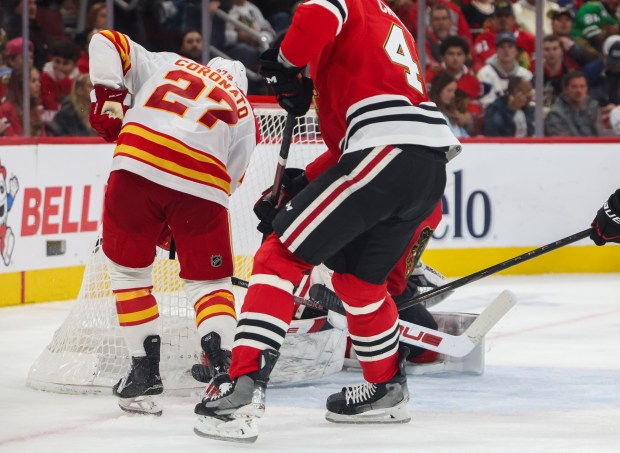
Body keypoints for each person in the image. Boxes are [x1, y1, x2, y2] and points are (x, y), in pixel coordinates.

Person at [193, 0, 461, 442]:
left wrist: (282, 65)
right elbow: (347, 150)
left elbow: (316, 15)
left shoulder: (346, 6)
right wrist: (300, 183)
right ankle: (384, 389)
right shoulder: (389, 24)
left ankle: (241, 387)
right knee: (359, 283)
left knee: (279, 256)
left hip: (383, 153)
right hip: (425, 165)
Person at [88, 29, 256, 416]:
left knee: (129, 274)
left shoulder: (168, 63)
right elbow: (226, 185)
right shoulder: (244, 110)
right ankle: (222, 369)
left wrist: (109, 95)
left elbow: (105, 39)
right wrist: (181, 222)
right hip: (201, 188)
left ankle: (143, 371)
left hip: (134, 166)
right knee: (208, 282)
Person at [477, 31, 533, 109]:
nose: (506, 50)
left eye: (510, 46)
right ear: (496, 50)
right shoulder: (485, 74)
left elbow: (532, 103)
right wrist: (511, 105)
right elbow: (486, 106)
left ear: (516, 50)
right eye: (502, 47)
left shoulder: (526, 75)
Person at [545, 71, 602, 136]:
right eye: (574, 87)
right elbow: (562, 142)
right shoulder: (556, 113)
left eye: (582, 86)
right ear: (565, 89)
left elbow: (601, 135)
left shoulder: (593, 108)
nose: (579, 91)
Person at [0, 65, 45, 137]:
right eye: (33, 81)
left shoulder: (36, 111)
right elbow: (11, 139)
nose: (38, 85)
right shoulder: (6, 110)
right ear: (21, 85)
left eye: (38, 80)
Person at [428, 71, 472, 138]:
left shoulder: (451, 114)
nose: (453, 95)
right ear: (438, 90)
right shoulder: (432, 115)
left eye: (454, 91)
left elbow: (465, 137)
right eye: (449, 90)